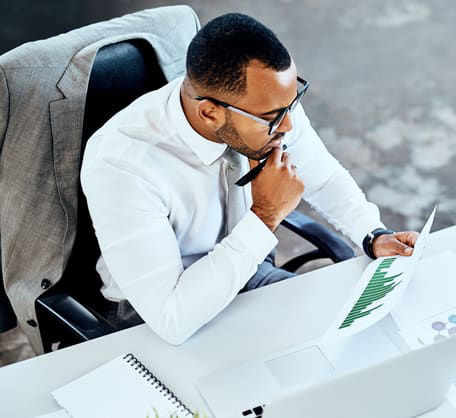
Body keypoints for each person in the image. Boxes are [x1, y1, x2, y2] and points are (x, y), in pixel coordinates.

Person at [80, 13, 419, 345]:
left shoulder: (268, 108)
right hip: (157, 315)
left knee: (360, 339)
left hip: (247, 271)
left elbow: (325, 178)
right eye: (274, 118)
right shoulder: (122, 167)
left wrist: (372, 234)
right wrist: (266, 215)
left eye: (292, 104)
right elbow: (172, 318)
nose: (288, 126)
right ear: (210, 113)